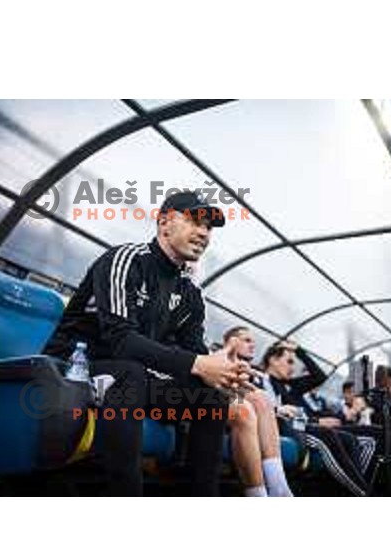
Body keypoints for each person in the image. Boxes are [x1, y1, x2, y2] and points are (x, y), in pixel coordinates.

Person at [45, 191, 250, 496]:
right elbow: (120, 339)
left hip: (134, 378)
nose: (204, 233)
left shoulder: (190, 292)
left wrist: (223, 374)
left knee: (212, 399)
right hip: (73, 371)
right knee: (131, 373)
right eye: (196, 221)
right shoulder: (124, 260)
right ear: (165, 222)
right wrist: (198, 364)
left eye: (209, 227)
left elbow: (194, 354)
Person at [259, 342, 367, 495]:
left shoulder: (290, 385)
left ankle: (354, 490)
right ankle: (361, 492)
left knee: (350, 438)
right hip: (289, 427)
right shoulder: (260, 379)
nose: (292, 368)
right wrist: (315, 421)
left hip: (301, 425)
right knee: (332, 435)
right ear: (273, 360)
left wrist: (299, 351)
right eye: (289, 361)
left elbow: (319, 376)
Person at [221, 327, 293, 497]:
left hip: (250, 411)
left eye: (253, 341)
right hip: (214, 404)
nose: (253, 345)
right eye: (246, 340)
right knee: (251, 403)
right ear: (230, 342)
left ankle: (278, 487)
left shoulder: (253, 372)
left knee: (260, 397)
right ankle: (260, 493)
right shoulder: (215, 358)